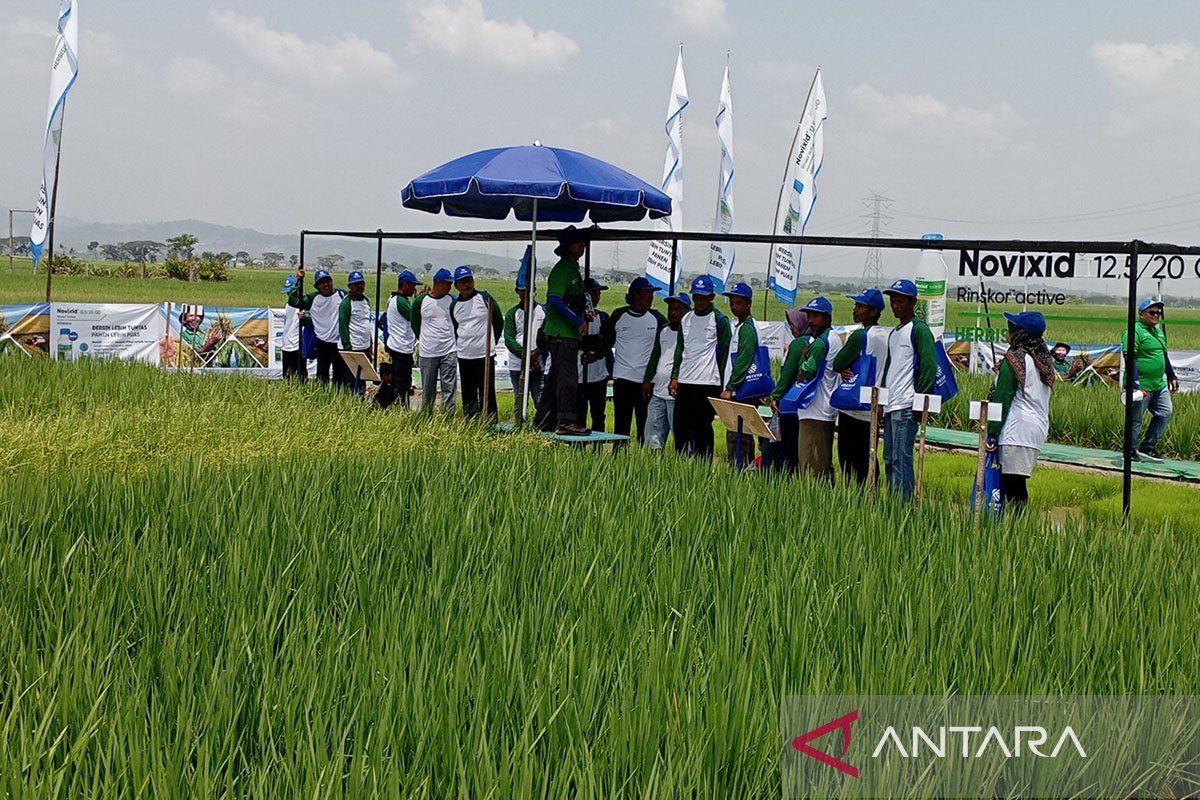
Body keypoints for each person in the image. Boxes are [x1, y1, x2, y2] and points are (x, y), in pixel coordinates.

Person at [987, 311, 1054, 514]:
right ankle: (1020, 531)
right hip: (1035, 431)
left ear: (1018, 334)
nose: (1008, 335)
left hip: (1016, 431)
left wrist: (991, 430)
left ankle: (1020, 531)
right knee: (1017, 486)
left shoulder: (1014, 358)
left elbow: (1002, 397)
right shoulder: (1043, 359)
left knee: (1014, 490)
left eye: (1010, 331)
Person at [879, 279, 938, 500]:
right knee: (889, 458)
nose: (895, 305)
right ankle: (893, 503)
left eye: (900, 301)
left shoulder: (919, 329)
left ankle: (902, 505)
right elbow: (890, 368)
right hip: (891, 405)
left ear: (912, 302)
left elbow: (929, 366)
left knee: (902, 458)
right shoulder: (895, 332)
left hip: (905, 405)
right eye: (893, 301)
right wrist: (882, 402)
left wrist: (919, 401)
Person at [670, 275, 732, 459]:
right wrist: (675, 376)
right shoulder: (686, 319)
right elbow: (680, 348)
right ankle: (679, 463)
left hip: (707, 381)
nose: (699, 300)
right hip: (685, 380)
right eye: (696, 296)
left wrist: (723, 383)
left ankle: (703, 465)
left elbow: (725, 353)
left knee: (702, 427)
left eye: (703, 297)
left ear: (712, 297)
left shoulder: (719, 320)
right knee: (680, 426)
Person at [831, 288, 888, 484]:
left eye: (860, 306)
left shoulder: (859, 336)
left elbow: (837, 363)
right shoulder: (885, 335)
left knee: (849, 457)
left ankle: (852, 500)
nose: (855, 309)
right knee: (868, 454)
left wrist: (845, 367)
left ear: (873, 311)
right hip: (874, 402)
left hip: (854, 405)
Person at [539, 226, 590, 435]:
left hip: (568, 334)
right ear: (569, 246)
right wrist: (577, 320)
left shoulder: (573, 269)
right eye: (579, 242)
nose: (583, 246)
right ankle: (566, 421)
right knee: (567, 379)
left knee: (554, 378)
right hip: (562, 334)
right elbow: (554, 299)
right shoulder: (562, 270)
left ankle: (542, 419)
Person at [605, 276, 664, 445]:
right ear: (636, 295)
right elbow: (606, 343)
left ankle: (641, 460)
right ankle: (619, 458)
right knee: (621, 426)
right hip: (623, 379)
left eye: (652, 294)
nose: (651, 298)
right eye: (648, 293)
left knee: (644, 425)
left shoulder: (657, 318)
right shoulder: (619, 315)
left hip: (645, 382)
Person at [1123, 298, 1179, 462]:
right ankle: (1130, 450)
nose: (1156, 315)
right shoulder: (1134, 331)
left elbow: (1163, 355)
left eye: (1158, 312)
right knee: (1135, 420)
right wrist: (1135, 383)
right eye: (1152, 312)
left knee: (1165, 413)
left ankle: (1148, 447)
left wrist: (1172, 376)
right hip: (1142, 385)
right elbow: (1129, 357)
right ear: (1141, 314)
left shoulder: (1158, 331)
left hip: (1159, 384)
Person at [794, 296, 843, 480]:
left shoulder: (821, 343)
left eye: (816, 316)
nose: (811, 321)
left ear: (827, 318)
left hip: (815, 411)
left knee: (811, 466)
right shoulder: (833, 338)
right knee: (822, 463)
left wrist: (802, 358)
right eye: (809, 316)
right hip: (824, 410)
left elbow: (807, 371)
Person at [450, 265, 503, 420]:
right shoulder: (454, 305)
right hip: (465, 355)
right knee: (468, 392)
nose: (467, 285)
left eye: (469, 280)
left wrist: (492, 342)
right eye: (463, 282)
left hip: (485, 355)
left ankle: (491, 422)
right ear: (456, 286)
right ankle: (471, 421)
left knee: (487, 392)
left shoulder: (485, 298)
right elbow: (456, 328)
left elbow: (498, 321)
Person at [765, 308, 812, 475]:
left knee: (785, 448)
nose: (791, 328)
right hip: (805, 404)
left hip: (790, 405)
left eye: (792, 324)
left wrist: (775, 396)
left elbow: (787, 374)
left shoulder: (799, 343)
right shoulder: (814, 341)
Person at [719, 281, 760, 466]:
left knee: (738, 435)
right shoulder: (741, 326)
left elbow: (743, 361)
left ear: (749, 303)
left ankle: (740, 471)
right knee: (741, 434)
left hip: (740, 393)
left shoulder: (747, 329)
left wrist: (730, 387)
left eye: (738, 303)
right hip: (740, 392)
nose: (734, 307)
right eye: (732, 302)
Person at [643, 292, 689, 450]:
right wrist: (647, 379)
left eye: (678, 309)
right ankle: (654, 466)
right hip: (658, 392)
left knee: (680, 437)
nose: (673, 312)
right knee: (652, 436)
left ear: (687, 311)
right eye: (671, 309)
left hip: (676, 395)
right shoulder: (663, 330)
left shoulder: (689, 334)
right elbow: (655, 356)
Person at [503, 256, 546, 416]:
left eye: (528, 291)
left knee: (540, 399)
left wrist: (536, 354)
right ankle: (519, 427)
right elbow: (509, 339)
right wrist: (526, 355)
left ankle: (542, 426)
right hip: (517, 364)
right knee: (520, 400)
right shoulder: (512, 313)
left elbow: (546, 335)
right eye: (522, 291)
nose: (525, 294)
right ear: (517, 291)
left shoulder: (542, 311)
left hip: (538, 364)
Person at [412, 268, 458, 414]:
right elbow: (415, 323)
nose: (450, 287)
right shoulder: (421, 301)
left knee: (449, 388)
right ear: (438, 283)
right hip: (428, 351)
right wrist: (424, 338)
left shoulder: (452, 300)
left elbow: (457, 322)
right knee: (428, 389)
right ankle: (426, 415)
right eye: (447, 283)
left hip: (449, 350)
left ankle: (449, 417)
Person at [288, 267, 344, 384]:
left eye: (327, 281)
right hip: (322, 342)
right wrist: (298, 280)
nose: (326, 285)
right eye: (322, 283)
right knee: (322, 374)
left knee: (339, 375)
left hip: (339, 343)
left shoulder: (342, 294)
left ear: (331, 281)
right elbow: (293, 301)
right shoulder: (313, 298)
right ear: (317, 286)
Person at [382, 269, 422, 409]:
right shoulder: (401, 302)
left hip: (397, 346)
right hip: (401, 349)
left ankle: (392, 406)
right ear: (405, 285)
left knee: (398, 381)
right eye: (412, 286)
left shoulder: (394, 299)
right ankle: (400, 408)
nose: (414, 289)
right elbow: (415, 317)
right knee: (402, 382)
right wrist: (419, 301)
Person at [577, 277, 611, 432]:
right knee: (579, 414)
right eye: (593, 294)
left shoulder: (603, 317)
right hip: (578, 375)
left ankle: (598, 446)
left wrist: (596, 354)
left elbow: (607, 341)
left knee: (598, 415)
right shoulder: (576, 319)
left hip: (598, 376)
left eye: (598, 294)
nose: (597, 297)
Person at [338, 270, 373, 389]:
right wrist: (348, 348)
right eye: (356, 284)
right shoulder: (346, 303)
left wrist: (370, 343)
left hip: (365, 347)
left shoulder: (366, 301)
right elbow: (343, 325)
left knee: (362, 380)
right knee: (351, 381)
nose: (359, 286)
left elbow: (367, 322)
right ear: (350, 286)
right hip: (353, 348)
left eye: (361, 283)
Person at [279, 275, 306, 381]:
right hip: (287, 345)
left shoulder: (303, 304)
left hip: (297, 345)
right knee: (287, 377)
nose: (289, 294)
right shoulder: (288, 305)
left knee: (300, 377)